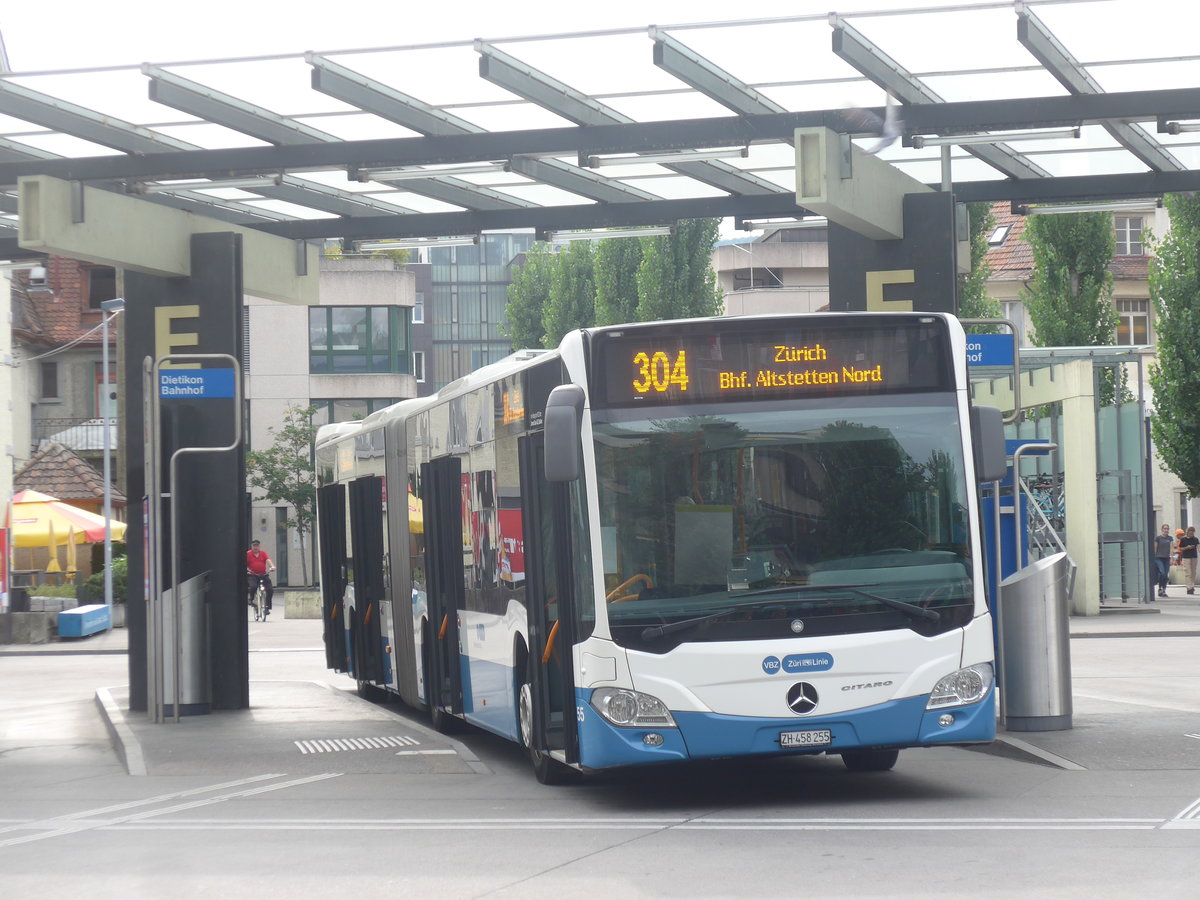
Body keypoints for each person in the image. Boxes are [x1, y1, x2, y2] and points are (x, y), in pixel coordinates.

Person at [246, 539, 276, 615]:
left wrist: (272, 566)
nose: (255, 547)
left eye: (257, 546)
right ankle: (251, 599)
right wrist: (247, 570)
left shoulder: (263, 553)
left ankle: (267, 607)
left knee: (270, 589)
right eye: (254, 546)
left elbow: (268, 560)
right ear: (251, 546)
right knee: (253, 586)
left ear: (259, 546)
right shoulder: (248, 554)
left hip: (263, 575)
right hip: (252, 575)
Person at [1152, 524, 1174, 599]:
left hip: (1166, 558)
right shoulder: (1158, 538)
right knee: (1162, 572)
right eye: (1165, 528)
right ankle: (1160, 587)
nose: (1166, 530)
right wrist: (1154, 558)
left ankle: (1163, 589)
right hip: (1158, 558)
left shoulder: (1170, 538)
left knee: (1165, 575)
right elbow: (1155, 548)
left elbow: (1171, 548)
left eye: (1167, 529)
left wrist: (1171, 558)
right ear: (1162, 530)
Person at [1180, 526, 1199, 595]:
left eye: (1192, 533)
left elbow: (1198, 546)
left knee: (1193, 572)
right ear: (1187, 532)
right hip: (1186, 557)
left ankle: (1192, 585)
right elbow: (1180, 549)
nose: (1191, 534)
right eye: (1190, 532)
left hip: (1194, 557)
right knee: (1188, 572)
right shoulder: (1183, 539)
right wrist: (1186, 548)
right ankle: (1189, 588)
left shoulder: (1195, 539)